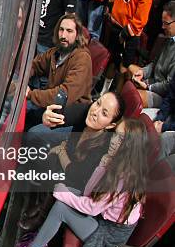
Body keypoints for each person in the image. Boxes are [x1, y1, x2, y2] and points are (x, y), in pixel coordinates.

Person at [6, 117, 147, 247]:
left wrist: (63, 193)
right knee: (70, 190)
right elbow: (89, 192)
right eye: (115, 135)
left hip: (108, 236)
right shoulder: (118, 163)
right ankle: (40, 241)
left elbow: (92, 207)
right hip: (101, 218)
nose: (113, 141)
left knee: (61, 206)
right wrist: (103, 163)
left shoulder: (122, 178)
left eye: (120, 138)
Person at [20, 92, 126, 230]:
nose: (95, 111)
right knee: (48, 155)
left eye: (104, 113)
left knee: (59, 174)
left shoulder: (104, 146)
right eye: (98, 103)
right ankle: (39, 201)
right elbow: (61, 115)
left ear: (111, 125)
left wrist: (61, 151)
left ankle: (42, 217)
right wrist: (47, 117)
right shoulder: (86, 111)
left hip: (83, 184)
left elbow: (76, 175)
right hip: (70, 162)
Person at [26, 14, 92, 122]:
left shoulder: (82, 58)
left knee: (33, 133)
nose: (63, 35)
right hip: (52, 106)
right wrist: (25, 74)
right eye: (61, 30)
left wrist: (30, 94)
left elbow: (63, 94)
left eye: (69, 31)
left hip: (68, 115)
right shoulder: (56, 51)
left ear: (77, 35)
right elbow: (36, 64)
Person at [128, 1, 175, 108]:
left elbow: (169, 85)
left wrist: (148, 87)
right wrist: (142, 72)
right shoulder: (169, 39)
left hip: (164, 96)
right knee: (129, 72)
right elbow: (154, 63)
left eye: (166, 23)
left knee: (136, 97)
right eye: (162, 22)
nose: (163, 27)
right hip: (153, 82)